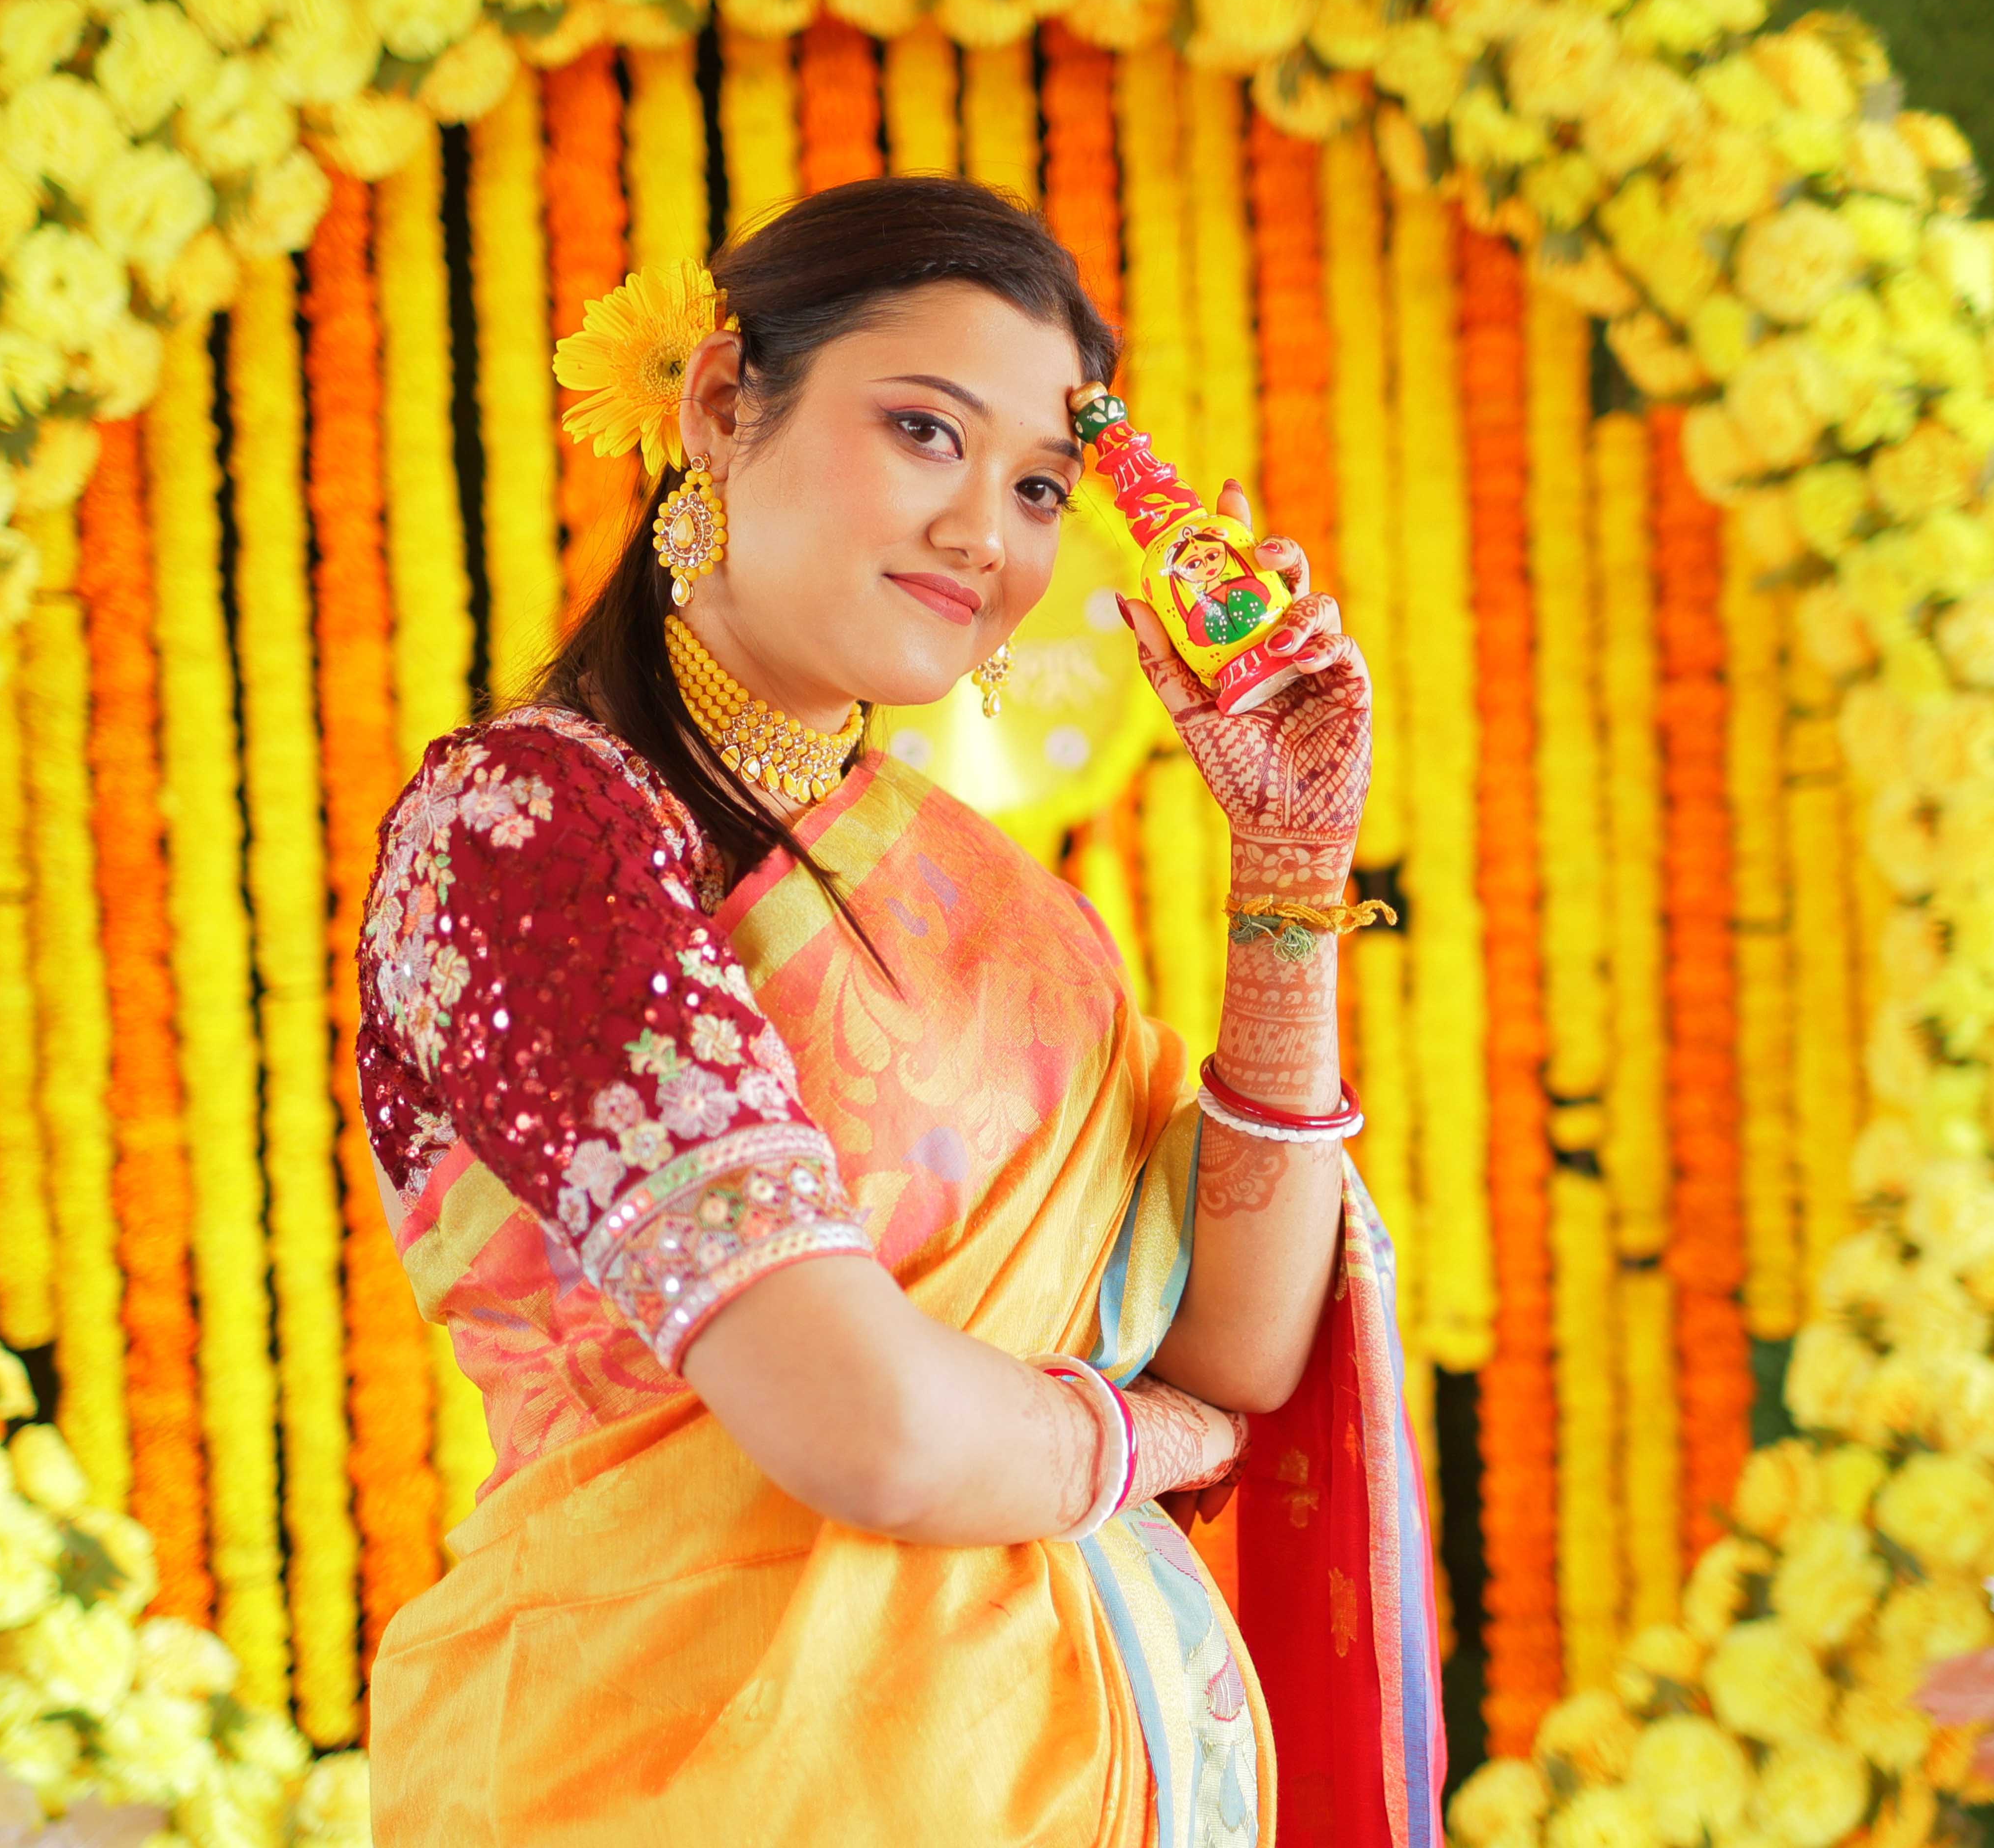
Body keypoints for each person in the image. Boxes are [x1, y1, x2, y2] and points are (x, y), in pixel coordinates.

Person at [355, 176, 1440, 1847]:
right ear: (723, 404)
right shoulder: (530, 834)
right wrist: (1142, 1442)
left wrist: (1291, 872)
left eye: (1039, 485)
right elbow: (868, 1430)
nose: (985, 535)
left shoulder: (983, 900)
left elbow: (1238, 1344)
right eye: (927, 431)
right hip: (683, 1775)